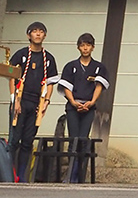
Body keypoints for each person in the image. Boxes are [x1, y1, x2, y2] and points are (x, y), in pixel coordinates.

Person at [7, 21, 59, 182]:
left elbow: (50, 83)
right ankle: (8, 175)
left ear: (45, 35)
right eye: (34, 31)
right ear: (28, 35)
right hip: (20, 100)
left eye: (41, 31)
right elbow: (12, 76)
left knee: (28, 141)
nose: (38, 34)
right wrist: (14, 100)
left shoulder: (48, 58)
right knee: (14, 139)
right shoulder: (21, 54)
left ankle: (22, 177)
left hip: (36, 102)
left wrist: (46, 102)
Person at [57, 32, 110, 183]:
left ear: (92, 47)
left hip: (89, 107)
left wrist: (92, 102)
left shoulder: (98, 67)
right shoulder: (71, 66)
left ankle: (81, 176)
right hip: (73, 107)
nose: (85, 48)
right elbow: (66, 86)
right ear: (78, 47)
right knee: (73, 139)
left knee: (83, 140)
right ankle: (71, 176)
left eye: (88, 45)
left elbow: (100, 86)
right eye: (82, 45)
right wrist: (73, 102)